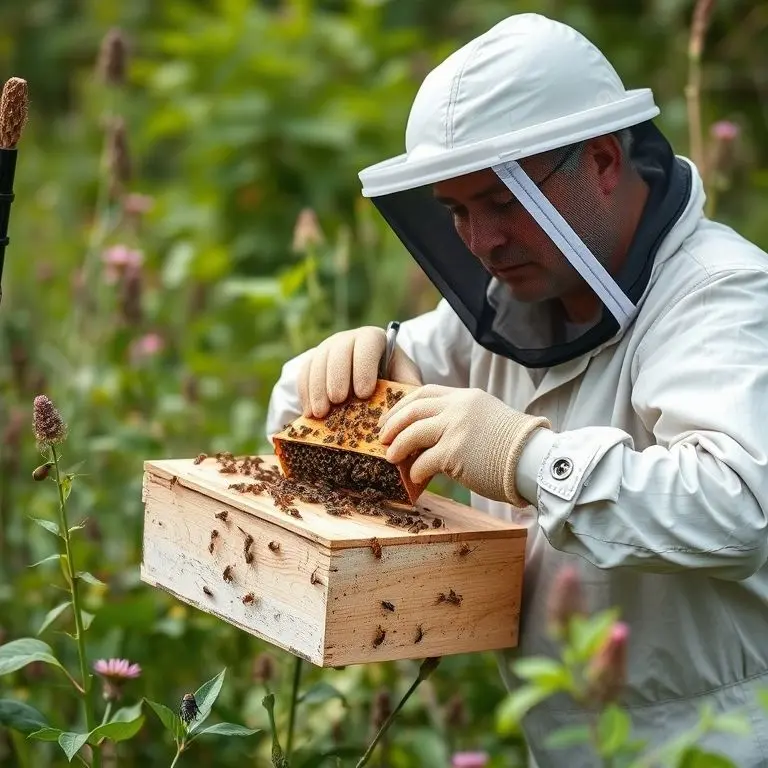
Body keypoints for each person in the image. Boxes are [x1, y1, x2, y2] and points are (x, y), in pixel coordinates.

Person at [265, 12, 768, 767]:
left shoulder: (720, 297)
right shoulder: (506, 306)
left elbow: (741, 504)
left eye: (503, 203)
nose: (483, 242)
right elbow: (303, 442)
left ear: (600, 160)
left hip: (720, 746)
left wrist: (525, 456)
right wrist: (332, 376)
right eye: (458, 211)